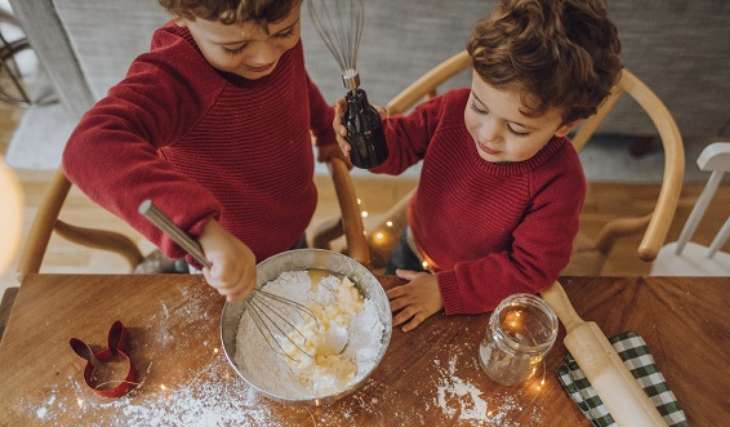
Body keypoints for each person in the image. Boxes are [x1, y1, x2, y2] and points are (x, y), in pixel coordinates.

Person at [334, 0, 622, 330]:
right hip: (415, 244)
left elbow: (530, 269)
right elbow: (398, 148)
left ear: (564, 126)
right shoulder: (452, 110)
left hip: (481, 288)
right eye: (479, 105)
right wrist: (365, 142)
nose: (488, 135)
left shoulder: (560, 181)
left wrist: (445, 290)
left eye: (516, 128)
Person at [63, 0, 342, 302]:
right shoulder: (174, 79)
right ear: (180, 16)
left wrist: (325, 128)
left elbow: (296, 84)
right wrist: (201, 230)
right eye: (235, 47)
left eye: (286, 31)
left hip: (290, 223)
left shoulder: (271, 37)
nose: (266, 56)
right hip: (224, 254)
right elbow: (89, 147)